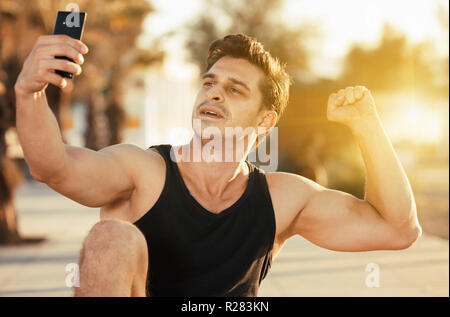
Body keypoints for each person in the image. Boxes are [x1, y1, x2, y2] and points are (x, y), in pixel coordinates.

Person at [14, 33, 421, 297]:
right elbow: (56, 166)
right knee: (111, 240)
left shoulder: (282, 199)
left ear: (265, 121)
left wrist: (367, 126)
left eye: (234, 89)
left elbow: (398, 228)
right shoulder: (143, 171)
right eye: (209, 83)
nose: (213, 94)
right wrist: (30, 93)